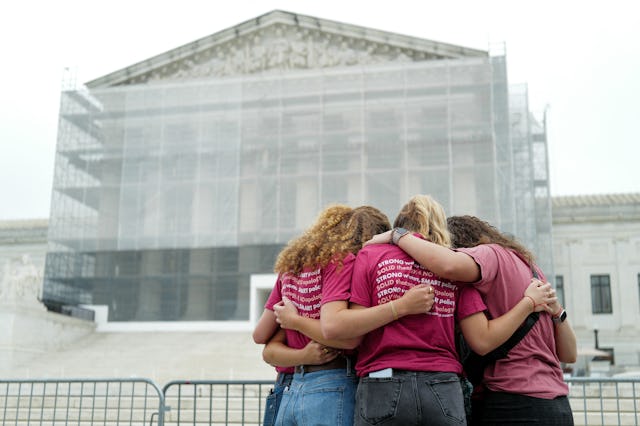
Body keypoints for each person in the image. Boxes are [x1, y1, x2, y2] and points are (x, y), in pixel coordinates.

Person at [367, 214, 577, 425]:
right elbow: (569, 354)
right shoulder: (531, 268)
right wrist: (558, 312)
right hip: (557, 405)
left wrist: (399, 235)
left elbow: (448, 266)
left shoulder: (489, 255)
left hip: (512, 402)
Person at [252, 204, 392, 426]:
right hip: (332, 379)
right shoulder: (341, 262)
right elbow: (345, 337)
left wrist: (294, 323)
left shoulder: (293, 266)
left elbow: (260, 335)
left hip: (291, 385)